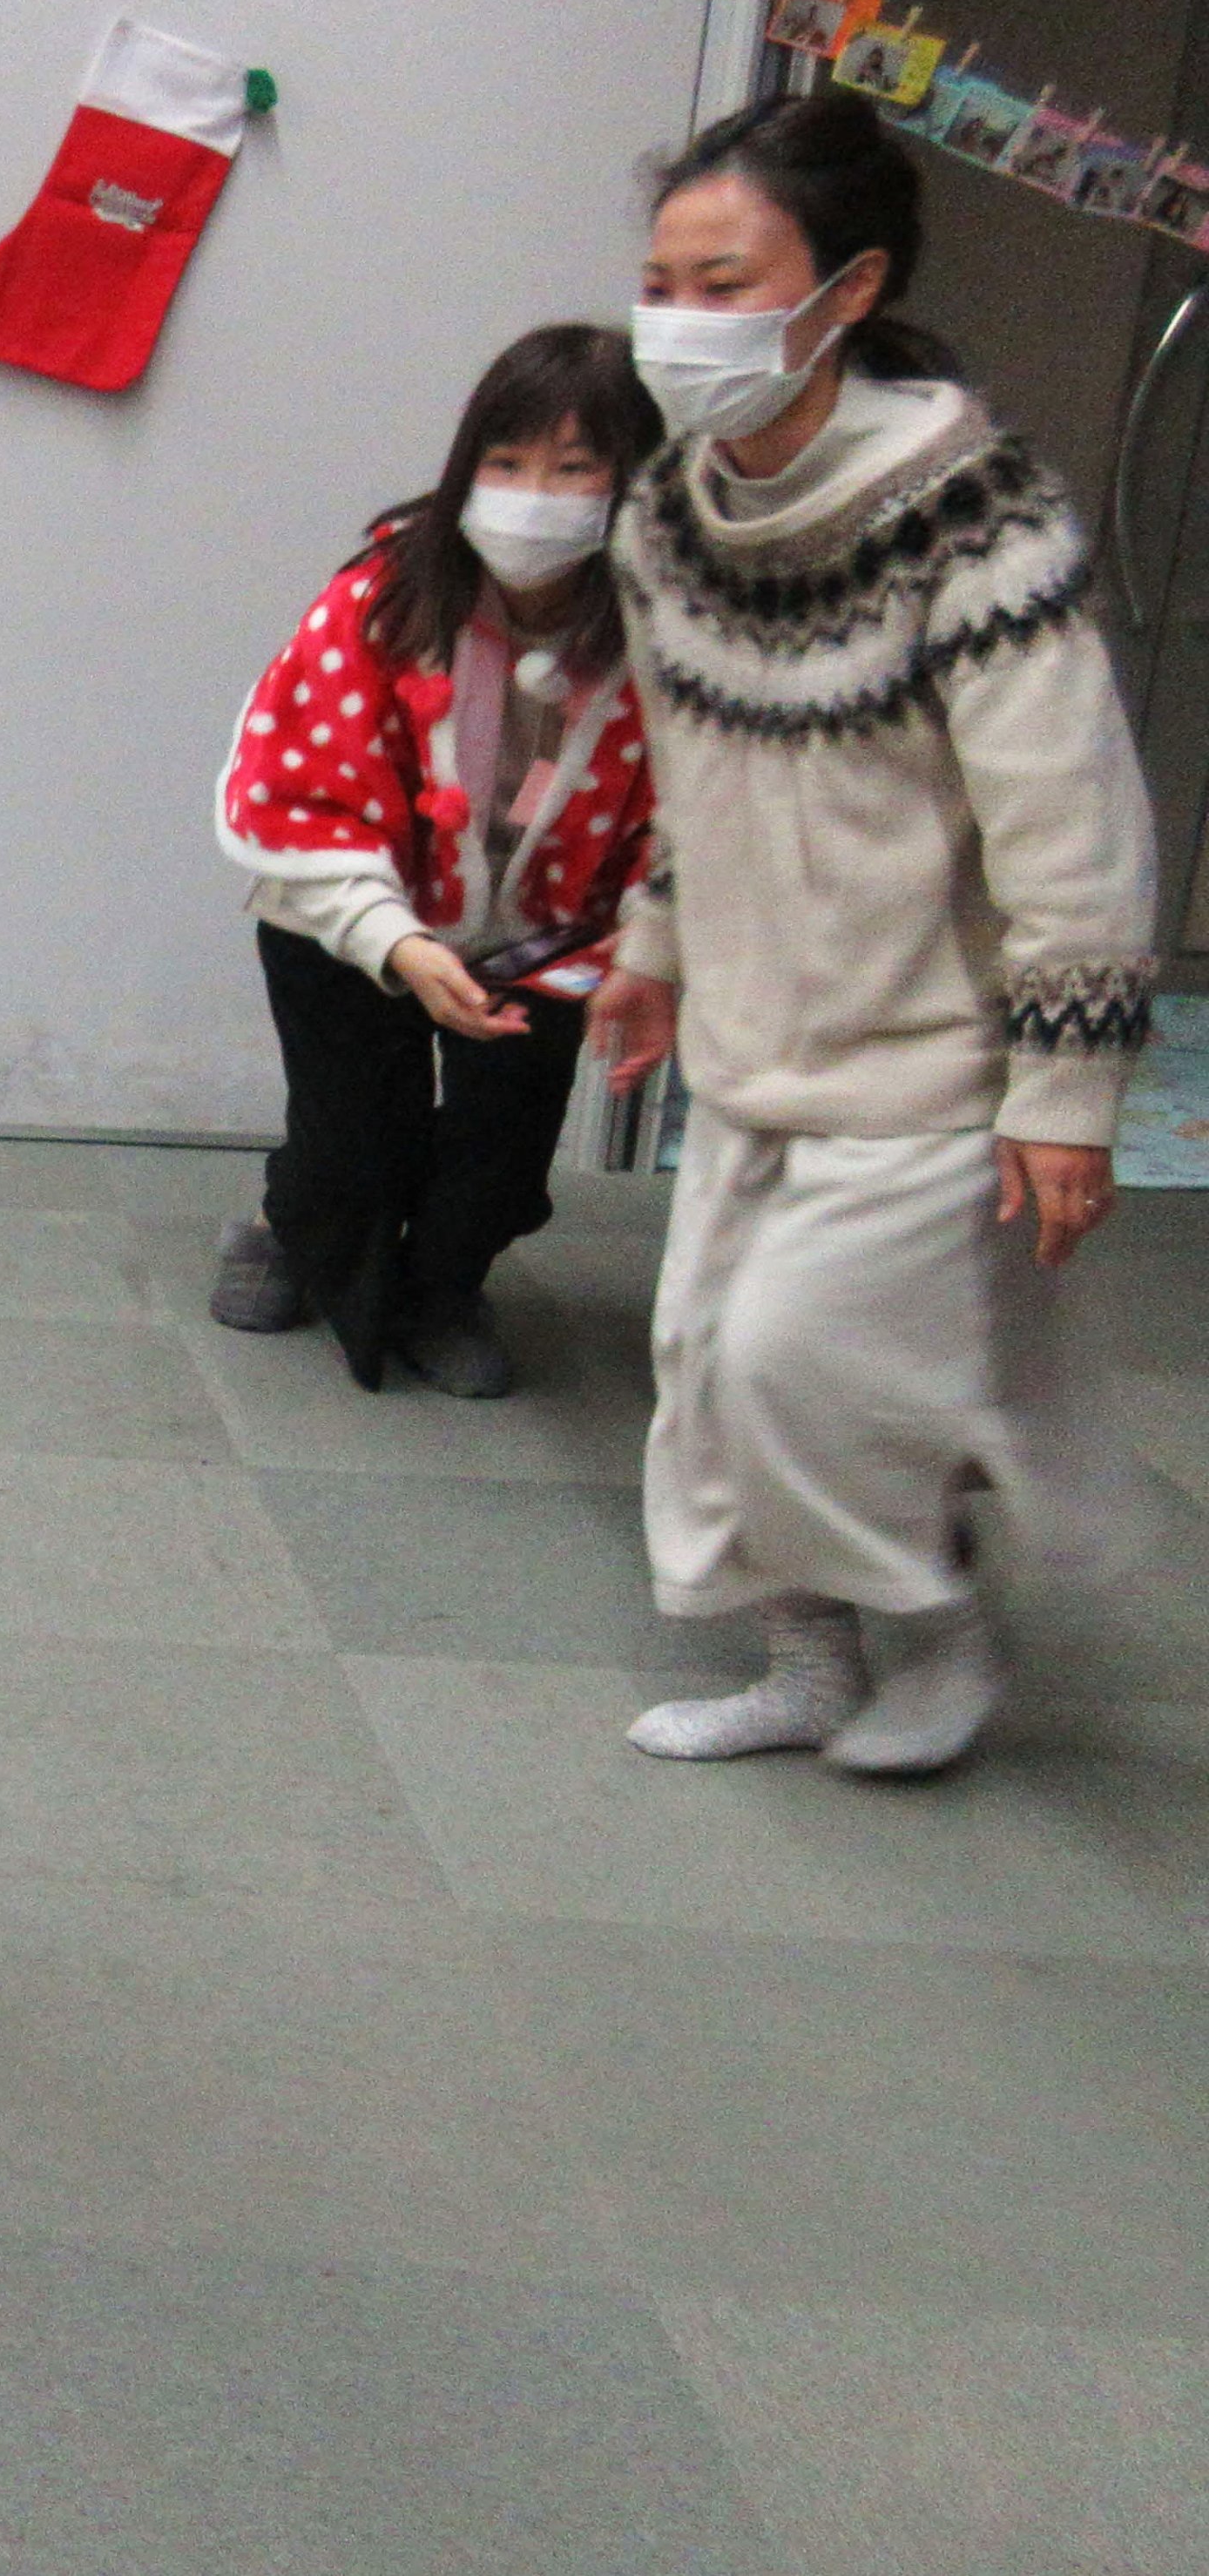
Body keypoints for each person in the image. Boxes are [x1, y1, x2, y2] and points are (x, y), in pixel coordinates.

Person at [595, 91, 1156, 1776]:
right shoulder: (669, 514)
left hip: (931, 1056)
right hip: (757, 1045)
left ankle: (939, 1627)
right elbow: (690, 776)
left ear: (846, 292)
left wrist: (1065, 1093)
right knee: (705, 1366)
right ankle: (808, 1664)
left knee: (802, 1364)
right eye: (663, 283)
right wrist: (654, 946)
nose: (681, 323)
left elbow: (1070, 818)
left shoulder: (969, 510)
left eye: (724, 281)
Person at [211, 327, 666, 1395]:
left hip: (548, 934)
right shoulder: (382, 598)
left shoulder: (668, 623)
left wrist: (652, 944)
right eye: (505, 463)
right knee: (347, 1146)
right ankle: (291, 1229)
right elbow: (296, 789)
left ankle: (448, 1284)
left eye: (572, 466)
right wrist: (397, 942)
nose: (533, 493)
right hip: (349, 919)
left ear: (627, 481)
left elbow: (690, 811)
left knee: (501, 1152)